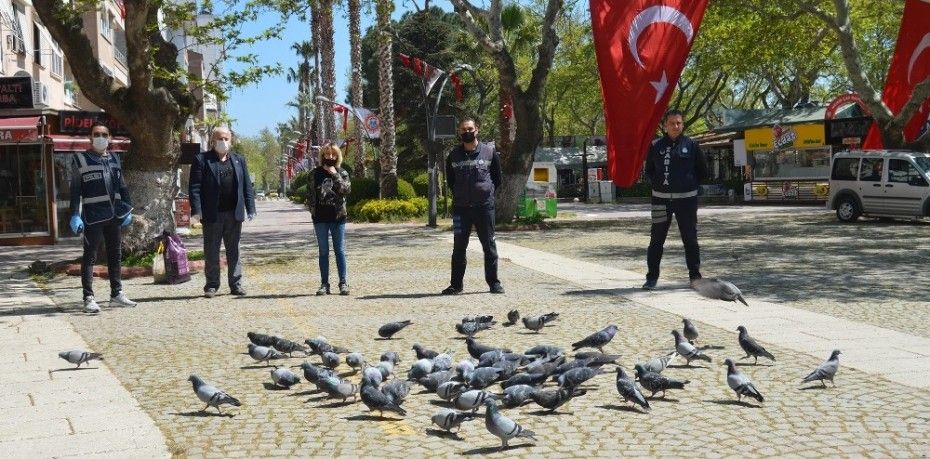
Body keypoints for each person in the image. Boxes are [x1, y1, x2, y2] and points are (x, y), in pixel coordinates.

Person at [69, 121, 136, 313]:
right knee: (90, 256)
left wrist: (128, 210)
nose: (101, 138)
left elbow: (123, 187)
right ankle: (88, 298)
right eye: (97, 134)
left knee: (115, 255)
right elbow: (75, 191)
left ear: (110, 138)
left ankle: (116, 294)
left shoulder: (115, 159)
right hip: (92, 216)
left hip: (114, 216)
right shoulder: (80, 159)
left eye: (104, 135)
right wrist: (75, 214)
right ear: (90, 138)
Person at [642, 109, 707, 290]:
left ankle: (695, 277)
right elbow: (649, 171)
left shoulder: (692, 145)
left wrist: (689, 185)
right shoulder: (655, 146)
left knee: (690, 239)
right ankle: (651, 277)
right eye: (672, 123)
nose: (675, 126)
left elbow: (703, 171)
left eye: (679, 123)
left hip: (686, 202)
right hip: (661, 202)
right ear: (665, 126)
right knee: (656, 239)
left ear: (683, 124)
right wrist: (657, 185)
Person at [189, 127, 256, 298]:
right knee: (211, 250)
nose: (223, 142)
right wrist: (197, 211)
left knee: (234, 250)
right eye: (220, 139)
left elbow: (246, 186)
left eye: (226, 139)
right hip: (212, 215)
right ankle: (212, 285)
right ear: (212, 141)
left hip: (234, 214)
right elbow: (195, 187)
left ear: (231, 141)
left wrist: (251, 208)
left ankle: (236, 284)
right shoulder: (202, 160)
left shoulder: (239, 160)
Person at [443, 117, 504, 295]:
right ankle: (456, 285)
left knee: (489, 246)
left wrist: (487, 194)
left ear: (476, 129)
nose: (466, 132)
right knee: (459, 247)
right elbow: (451, 181)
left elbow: (497, 179)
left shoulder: (489, 152)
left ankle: (494, 283)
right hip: (461, 209)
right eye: (463, 129)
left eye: (469, 128)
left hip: (484, 208)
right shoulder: (453, 155)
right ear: (459, 132)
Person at [308, 143, 352, 296]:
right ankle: (324, 283)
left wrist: (334, 174)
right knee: (323, 251)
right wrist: (312, 211)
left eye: (333, 154)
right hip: (320, 218)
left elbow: (346, 190)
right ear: (322, 156)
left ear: (337, 156)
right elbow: (310, 194)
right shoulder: (314, 174)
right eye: (327, 154)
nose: (330, 157)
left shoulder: (342, 172)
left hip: (338, 217)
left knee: (339, 250)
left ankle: (343, 283)